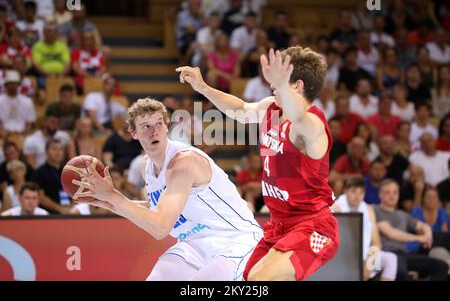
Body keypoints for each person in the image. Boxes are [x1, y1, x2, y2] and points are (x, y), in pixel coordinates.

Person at [176, 46, 339, 281]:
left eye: (279, 82)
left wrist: (282, 84)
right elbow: (241, 110)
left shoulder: (312, 125)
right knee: (248, 280)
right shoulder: (271, 108)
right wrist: (203, 87)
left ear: (297, 85)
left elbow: (300, 118)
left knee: (261, 280)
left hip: (314, 226)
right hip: (279, 225)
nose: (272, 85)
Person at [71, 98, 263, 281]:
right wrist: (106, 201)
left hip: (234, 239)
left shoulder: (183, 163)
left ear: (167, 127)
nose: (154, 131)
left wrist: (113, 196)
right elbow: (159, 208)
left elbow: (160, 227)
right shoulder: (145, 165)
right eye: (146, 126)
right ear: (133, 133)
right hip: (194, 244)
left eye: (159, 124)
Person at [374, 179, 448, 281]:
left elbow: (422, 226)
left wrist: (428, 234)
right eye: (388, 192)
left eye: (395, 192)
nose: (392, 196)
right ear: (380, 194)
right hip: (383, 254)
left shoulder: (402, 214)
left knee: (442, 266)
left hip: (404, 254)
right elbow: (391, 233)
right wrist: (420, 238)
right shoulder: (374, 210)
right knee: (401, 270)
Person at [332, 178, 398, 281]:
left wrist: (369, 263)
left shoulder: (368, 210)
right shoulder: (336, 208)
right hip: (342, 256)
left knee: (391, 259)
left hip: (365, 255)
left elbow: (376, 242)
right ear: (346, 191)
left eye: (361, 192)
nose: (357, 196)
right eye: (354, 191)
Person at [32, 139, 73, 214]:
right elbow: (40, 196)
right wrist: (59, 208)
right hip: (49, 215)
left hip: (70, 212)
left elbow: (76, 191)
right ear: (46, 152)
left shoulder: (68, 171)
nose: (58, 152)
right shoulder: (39, 172)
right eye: (54, 149)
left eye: (60, 149)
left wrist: (72, 207)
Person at [0, 70, 36, 134]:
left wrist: (23, 134)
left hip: (22, 133)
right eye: (10, 83)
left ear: (18, 85)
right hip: (2, 134)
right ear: (6, 85)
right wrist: (3, 133)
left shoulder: (27, 101)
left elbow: (30, 122)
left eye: (14, 83)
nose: (12, 85)